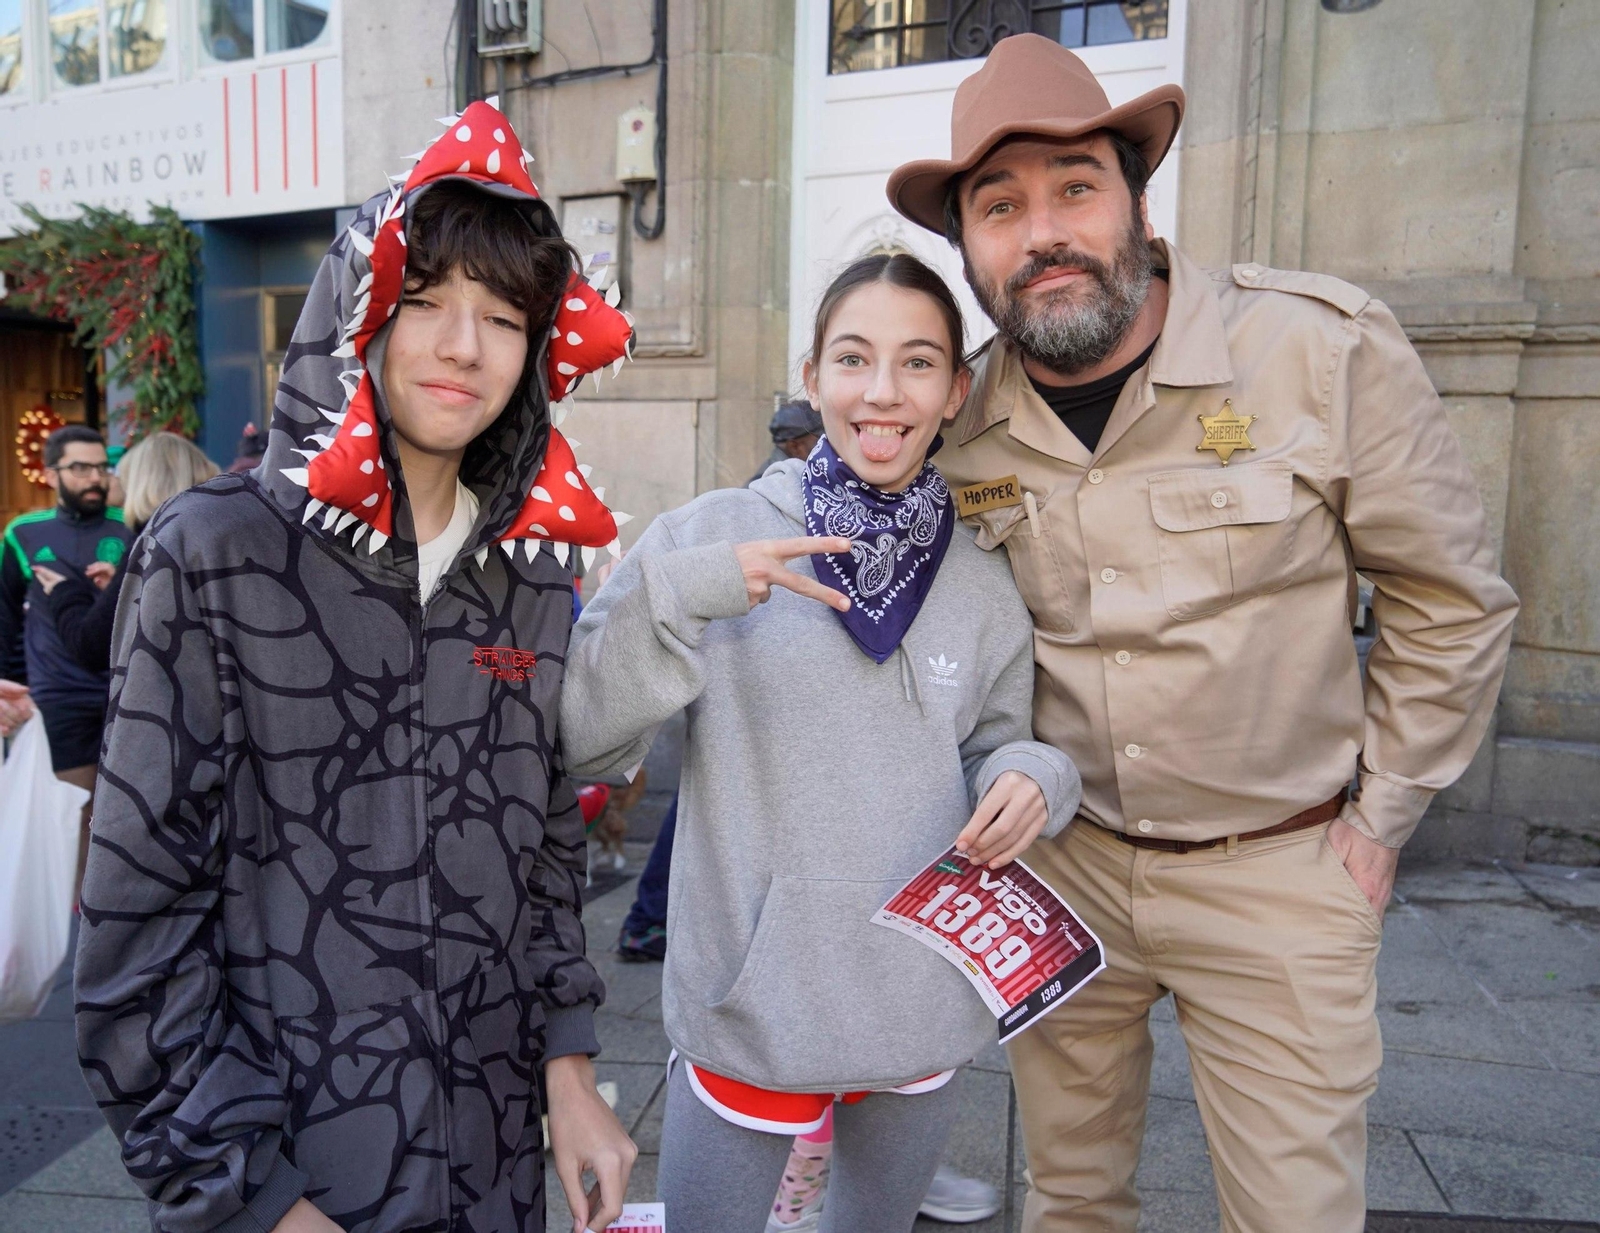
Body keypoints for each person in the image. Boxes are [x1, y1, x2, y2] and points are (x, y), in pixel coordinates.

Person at [884, 34, 1521, 1233]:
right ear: (965, 245)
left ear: (1135, 197)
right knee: (1069, 1200)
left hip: (1279, 870)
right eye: (999, 205)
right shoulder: (957, 420)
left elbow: (1450, 599)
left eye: (1075, 187)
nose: (1043, 232)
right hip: (1062, 872)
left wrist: (1379, 826)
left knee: (1293, 1214)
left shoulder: (1316, 350)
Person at [73, 101, 637, 1233]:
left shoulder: (526, 573)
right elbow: (137, 928)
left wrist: (569, 1067)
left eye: (502, 315)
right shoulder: (215, 554)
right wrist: (253, 1199)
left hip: (491, 1166)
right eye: (425, 301)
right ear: (360, 314)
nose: (464, 345)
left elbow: (539, 850)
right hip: (286, 1169)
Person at [562, 252, 1081, 1233]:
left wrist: (1034, 778)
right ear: (811, 378)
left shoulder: (980, 577)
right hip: (753, 1012)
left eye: (918, 363)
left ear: (954, 390)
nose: (882, 392)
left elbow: (1004, 742)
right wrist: (682, 596)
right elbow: (584, 742)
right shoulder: (707, 536)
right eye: (853, 358)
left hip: (919, 1007)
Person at [0, 424, 131, 887]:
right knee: (68, 823)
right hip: (57, 701)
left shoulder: (127, 525)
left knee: (121, 826)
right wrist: (18, 688)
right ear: (51, 473)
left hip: (126, 696)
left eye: (100, 466)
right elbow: (5, 618)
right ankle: (78, 937)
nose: (93, 477)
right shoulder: (23, 533)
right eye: (80, 468)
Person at [35, 432, 219, 674]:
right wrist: (121, 588)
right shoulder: (211, 534)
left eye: (115, 473)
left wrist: (64, 592)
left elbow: (90, 646)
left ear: (144, 481)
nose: (107, 480)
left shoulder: (151, 541)